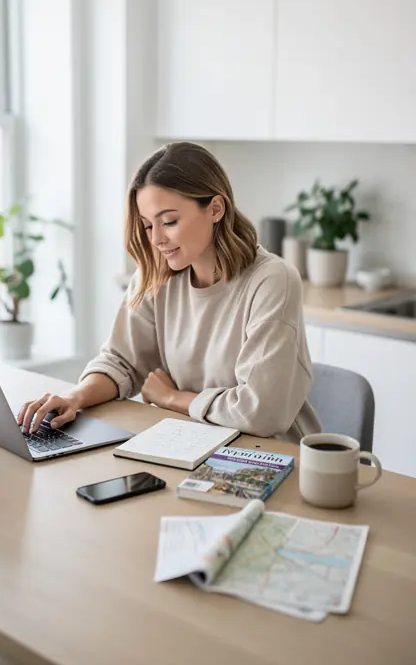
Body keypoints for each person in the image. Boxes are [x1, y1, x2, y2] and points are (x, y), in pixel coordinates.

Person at [18, 141, 320, 442]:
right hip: (190, 440)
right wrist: (75, 397)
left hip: (270, 454)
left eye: (169, 221)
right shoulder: (157, 275)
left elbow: (259, 413)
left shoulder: (271, 280)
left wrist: (173, 398)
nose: (157, 239)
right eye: (149, 226)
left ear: (215, 208)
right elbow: (121, 362)